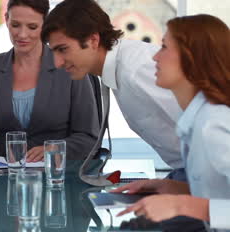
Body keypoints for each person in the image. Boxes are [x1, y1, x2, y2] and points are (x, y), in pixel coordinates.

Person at [113, 14, 230, 232]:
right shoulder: (200, 118)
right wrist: (172, 188)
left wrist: (181, 205)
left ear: (192, 58)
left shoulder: (214, 125)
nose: (155, 56)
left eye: (164, 47)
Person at [40, 0, 185, 179]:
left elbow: (207, 131)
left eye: (63, 49)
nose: (57, 63)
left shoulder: (136, 69)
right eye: (53, 51)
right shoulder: (118, 68)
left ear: (93, 40)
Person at [0, 0, 99, 162]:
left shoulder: (69, 66)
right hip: (3, 178)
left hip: (58, 177)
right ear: (6, 19)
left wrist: (54, 149)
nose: (22, 34)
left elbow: (88, 138)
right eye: (15, 25)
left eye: (32, 27)